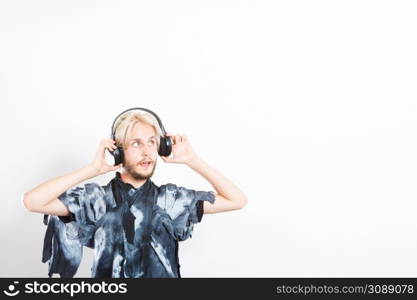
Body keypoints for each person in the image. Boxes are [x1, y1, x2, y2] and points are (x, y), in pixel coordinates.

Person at [22, 108, 248, 278]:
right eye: (136, 143)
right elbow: (33, 201)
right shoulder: (96, 200)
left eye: (152, 142)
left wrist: (192, 160)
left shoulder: (171, 200)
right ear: (118, 151)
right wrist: (92, 169)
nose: (147, 151)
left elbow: (236, 200)